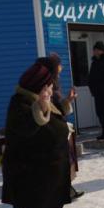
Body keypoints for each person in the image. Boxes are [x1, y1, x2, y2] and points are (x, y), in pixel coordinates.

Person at [2, 62, 71, 208]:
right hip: (31, 169)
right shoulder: (21, 104)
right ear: (36, 86)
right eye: (47, 86)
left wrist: (64, 103)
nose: (51, 89)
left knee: (55, 202)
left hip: (49, 165)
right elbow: (26, 130)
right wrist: (39, 110)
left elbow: (56, 117)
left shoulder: (41, 99)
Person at [36, 54, 84, 200]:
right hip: (50, 133)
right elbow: (54, 110)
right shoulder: (44, 86)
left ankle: (65, 191)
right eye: (58, 65)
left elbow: (58, 108)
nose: (61, 68)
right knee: (57, 164)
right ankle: (58, 193)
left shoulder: (51, 84)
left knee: (60, 164)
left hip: (55, 132)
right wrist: (67, 101)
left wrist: (68, 99)